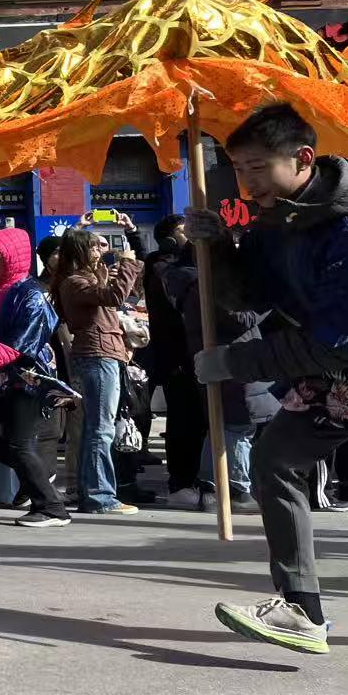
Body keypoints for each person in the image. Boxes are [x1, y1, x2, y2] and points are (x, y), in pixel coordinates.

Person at [186, 103, 348, 654]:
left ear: (303, 158)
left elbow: (332, 338)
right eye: (237, 168)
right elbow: (247, 297)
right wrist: (215, 247)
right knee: (277, 459)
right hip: (336, 376)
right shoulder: (275, 217)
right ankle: (302, 610)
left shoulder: (345, 226)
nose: (245, 181)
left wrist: (236, 363)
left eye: (257, 167)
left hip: (336, 355)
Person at [0, 227, 71, 527]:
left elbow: (21, 345)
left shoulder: (32, 296)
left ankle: (52, 508)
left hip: (28, 379)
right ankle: (34, 475)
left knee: (19, 443)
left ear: (15, 256)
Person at [153, 241, 267, 514]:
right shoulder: (211, 284)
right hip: (231, 361)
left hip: (223, 360)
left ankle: (210, 485)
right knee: (237, 426)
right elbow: (240, 318)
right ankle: (237, 488)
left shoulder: (196, 283)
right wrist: (266, 304)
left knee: (221, 425)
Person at [51, 220, 144, 515]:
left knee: (99, 428)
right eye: (95, 245)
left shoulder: (85, 278)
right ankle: (100, 496)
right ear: (81, 250)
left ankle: (94, 492)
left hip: (104, 353)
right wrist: (127, 267)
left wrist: (126, 260)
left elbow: (120, 290)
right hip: (97, 354)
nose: (101, 249)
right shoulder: (74, 282)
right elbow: (114, 297)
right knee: (100, 430)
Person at [143, 214, 206, 505]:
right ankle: (182, 481)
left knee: (197, 420)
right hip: (176, 355)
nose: (190, 236)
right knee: (184, 420)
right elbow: (184, 291)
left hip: (190, 351)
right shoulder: (163, 266)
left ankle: (193, 478)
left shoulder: (180, 262)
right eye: (185, 232)